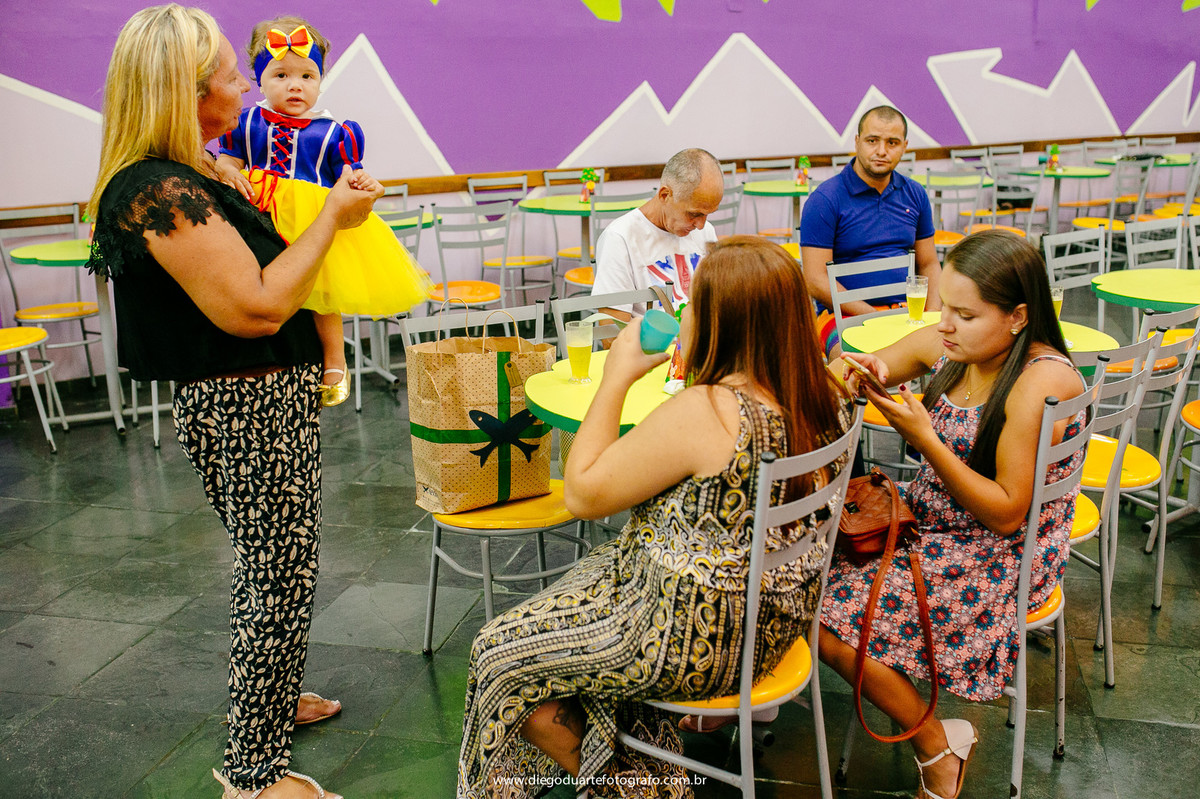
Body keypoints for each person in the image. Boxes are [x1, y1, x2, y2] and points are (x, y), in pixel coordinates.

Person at [87, 6, 383, 797]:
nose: (248, 85)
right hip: (241, 406)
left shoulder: (200, 171)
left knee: (284, 564)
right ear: (185, 93)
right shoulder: (155, 191)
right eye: (232, 74)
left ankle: (274, 702)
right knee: (277, 574)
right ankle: (252, 771)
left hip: (264, 399)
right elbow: (253, 306)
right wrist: (332, 216)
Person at [457, 236, 852, 798]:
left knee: (495, 652)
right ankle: (648, 769)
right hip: (774, 618)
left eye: (692, 303)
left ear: (724, 321)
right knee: (583, 602)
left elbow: (583, 495)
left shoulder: (708, 410)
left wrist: (618, 374)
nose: (681, 311)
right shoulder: (822, 391)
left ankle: (637, 788)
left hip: (695, 639)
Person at [820, 230, 1085, 799]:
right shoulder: (963, 346)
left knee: (823, 615)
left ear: (1017, 317)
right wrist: (866, 371)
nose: (945, 325)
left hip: (1000, 554)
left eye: (963, 314)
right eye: (944, 306)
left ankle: (937, 744)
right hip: (937, 523)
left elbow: (1008, 515)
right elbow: (879, 362)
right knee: (800, 572)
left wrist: (923, 436)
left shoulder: (1039, 382)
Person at [215, 15, 429, 406]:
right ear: (258, 81)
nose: (295, 85)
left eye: (307, 76)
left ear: (319, 81)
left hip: (311, 220)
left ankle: (334, 355)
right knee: (257, 284)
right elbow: (228, 159)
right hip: (256, 213)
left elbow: (350, 178)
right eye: (280, 75)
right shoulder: (245, 123)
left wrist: (363, 185)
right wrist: (228, 171)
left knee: (319, 290)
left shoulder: (334, 132)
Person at [800, 105, 942, 355]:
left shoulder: (915, 194)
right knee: (857, 372)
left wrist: (931, 317)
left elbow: (929, 264)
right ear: (857, 142)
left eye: (893, 142)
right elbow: (815, 279)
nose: (881, 151)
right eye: (872, 141)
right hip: (840, 315)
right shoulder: (825, 199)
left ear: (905, 146)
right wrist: (874, 316)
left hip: (907, 312)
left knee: (955, 359)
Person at [590, 148, 723, 317]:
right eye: (694, 214)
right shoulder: (620, 238)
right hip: (651, 343)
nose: (701, 225)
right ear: (665, 195)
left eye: (707, 214)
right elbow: (613, 334)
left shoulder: (706, 232)